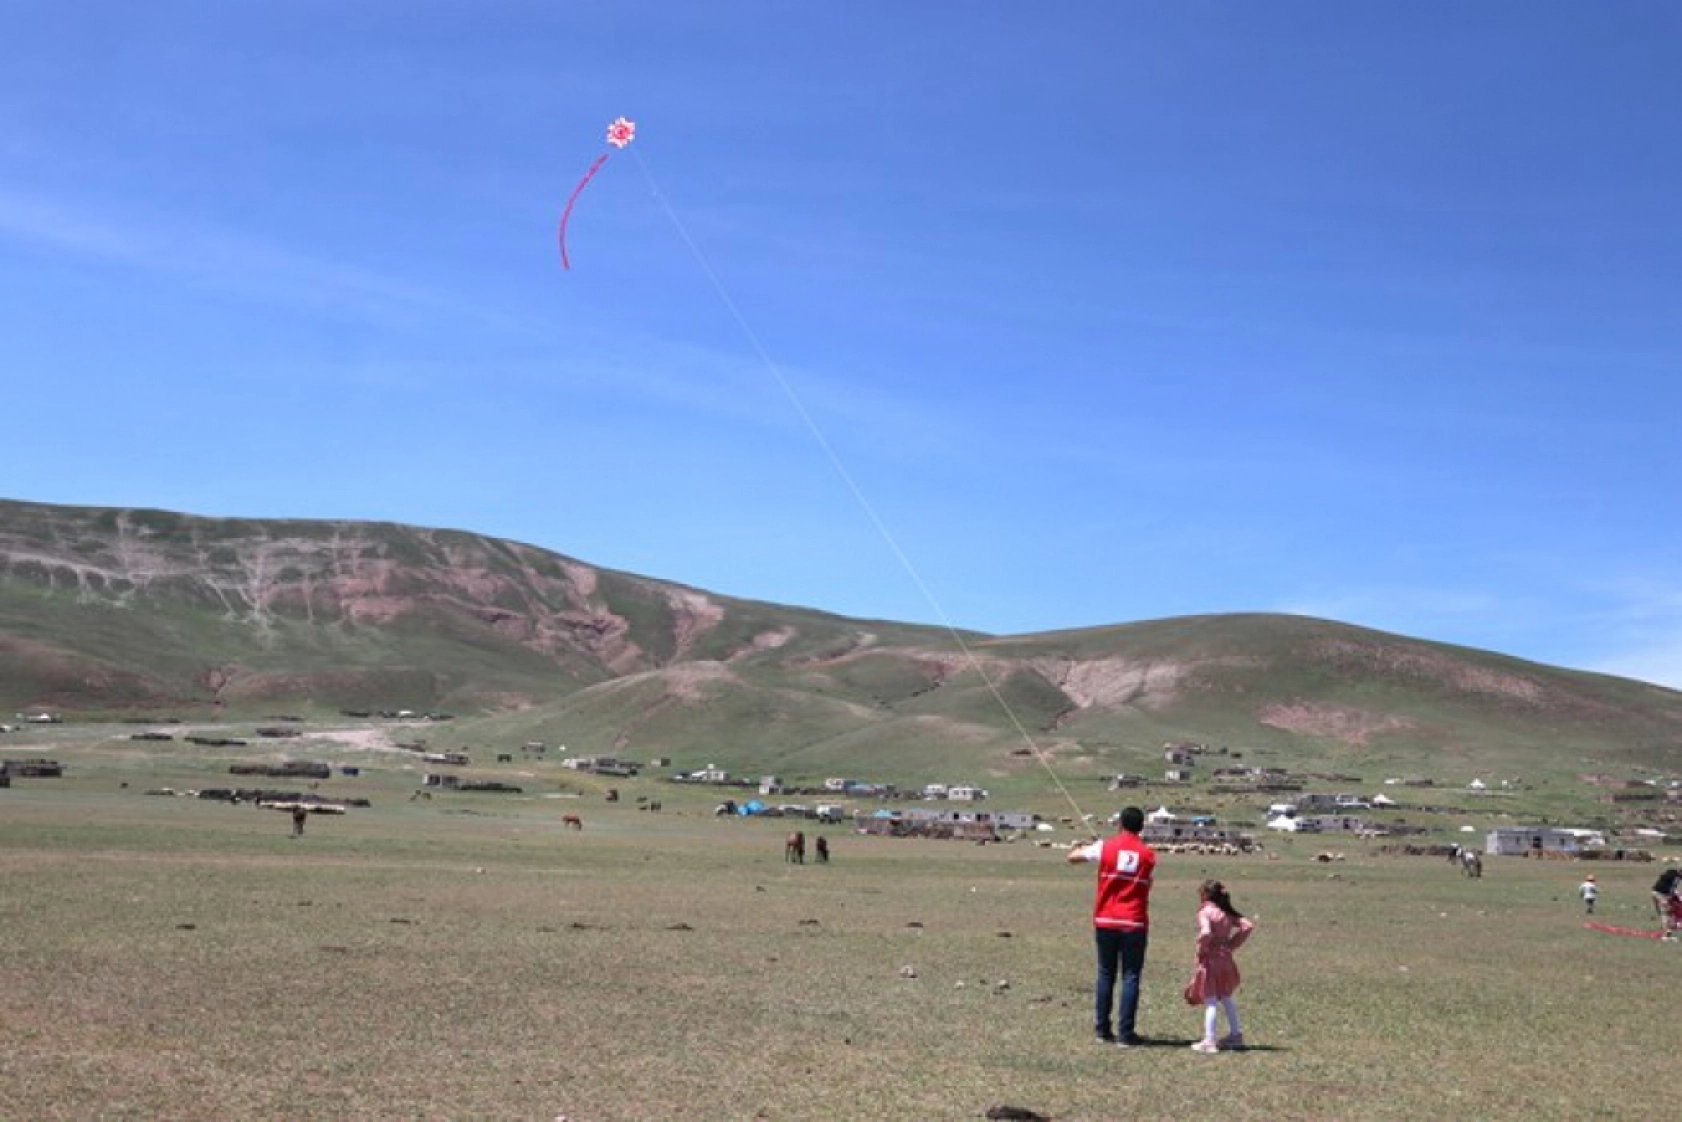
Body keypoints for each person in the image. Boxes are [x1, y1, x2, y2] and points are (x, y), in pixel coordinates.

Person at [1068, 806, 1157, 1046]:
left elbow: (1072, 857)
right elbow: (1147, 884)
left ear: (1120, 824)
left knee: (1106, 973)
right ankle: (1126, 1034)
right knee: (1131, 976)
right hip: (1134, 921)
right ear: (1141, 827)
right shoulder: (1148, 854)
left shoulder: (1104, 847)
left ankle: (1102, 1030)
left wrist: (1082, 847)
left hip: (1106, 919)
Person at [1184, 880, 1255, 1053]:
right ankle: (1236, 1035)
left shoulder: (1205, 912)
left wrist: (1202, 947)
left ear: (1206, 895)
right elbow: (1247, 926)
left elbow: (1206, 932)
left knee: (1210, 1000)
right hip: (1226, 958)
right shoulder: (1226, 912)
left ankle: (1209, 1040)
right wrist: (1231, 945)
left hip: (1211, 959)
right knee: (1225, 996)